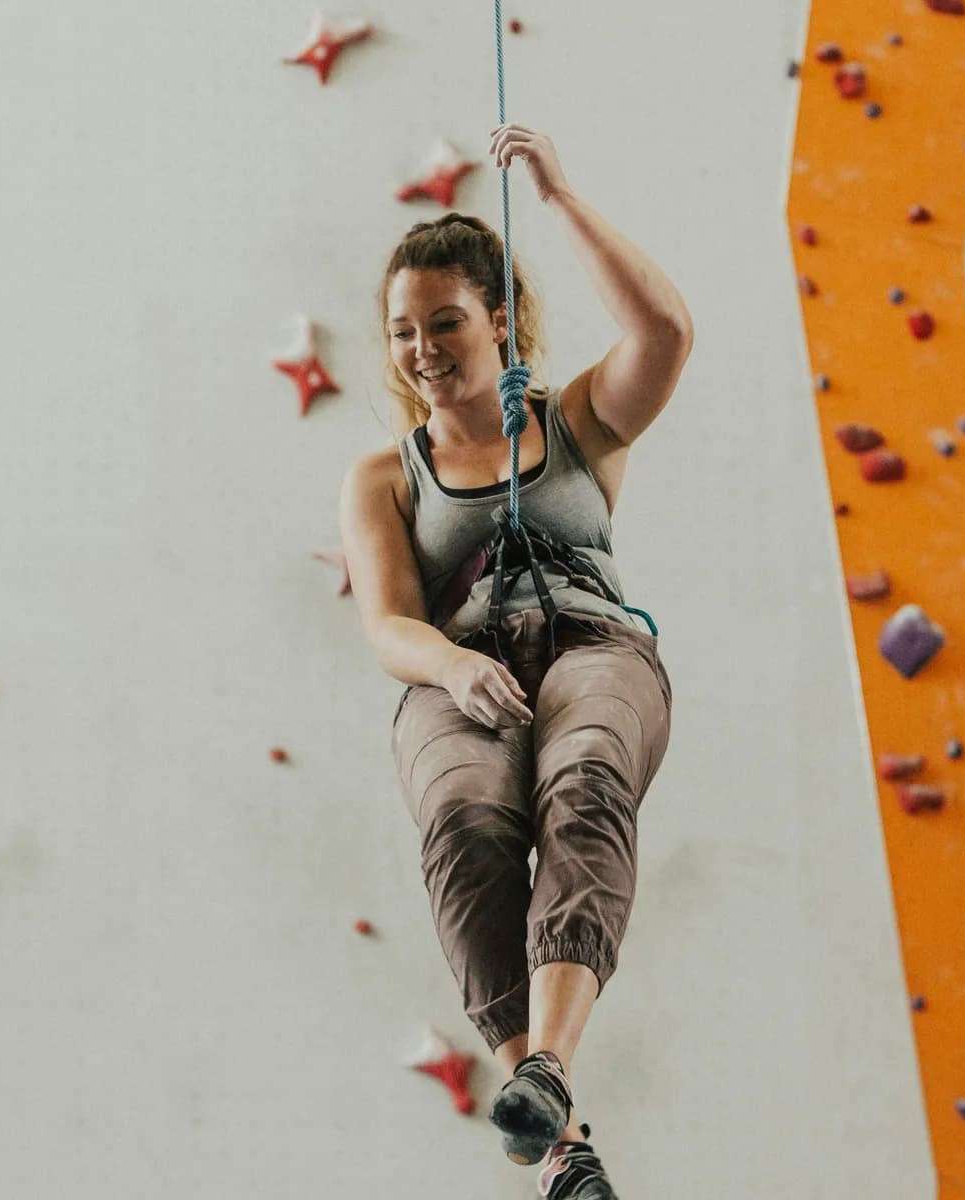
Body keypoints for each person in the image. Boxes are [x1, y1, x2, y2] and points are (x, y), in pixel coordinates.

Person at [337, 123, 691, 1199]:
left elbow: (666, 330)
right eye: (403, 331)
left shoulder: (578, 420)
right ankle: (562, 1146)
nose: (422, 349)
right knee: (467, 827)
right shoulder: (383, 480)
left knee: (584, 778)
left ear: (498, 319)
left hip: (591, 644)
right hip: (458, 672)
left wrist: (560, 198)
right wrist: (450, 669)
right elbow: (389, 624)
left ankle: (548, 1062)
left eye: (445, 322)